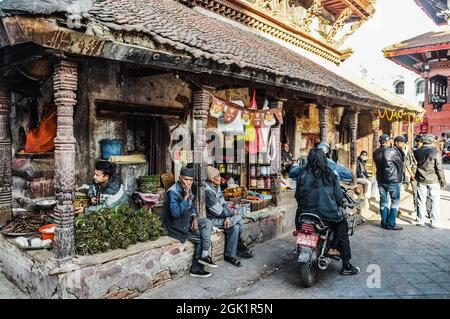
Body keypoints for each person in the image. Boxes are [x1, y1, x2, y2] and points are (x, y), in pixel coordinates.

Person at [294, 148, 359, 275]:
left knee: (299, 221)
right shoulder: (330, 174)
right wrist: (337, 205)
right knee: (342, 225)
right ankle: (342, 260)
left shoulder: (302, 174)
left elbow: (297, 196)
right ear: (324, 160)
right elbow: (339, 197)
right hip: (327, 215)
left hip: (304, 215)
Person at [162, 166, 216, 278]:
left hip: (187, 220)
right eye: (186, 179)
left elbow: (192, 207)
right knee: (201, 238)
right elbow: (175, 213)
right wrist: (186, 198)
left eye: (191, 180)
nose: (189, 182)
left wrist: (194, 217)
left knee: (206, 222)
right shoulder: (172, 192)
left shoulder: (188, 189)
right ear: (180, 178)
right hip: (175, 225)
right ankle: (196, 268)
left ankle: (204, 255)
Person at [205, 166, 253, 267]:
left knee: (235, 227)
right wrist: (231, 213)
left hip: (221, 217)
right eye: (217, 175)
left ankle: (230, 255)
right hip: (212, 219)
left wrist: (227, 217)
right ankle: (240, 245)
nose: (220, 177)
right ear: (211, 178)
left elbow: (223, 204)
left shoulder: (216, 186)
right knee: (239, 217)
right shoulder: (207, 191)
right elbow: (218, 211)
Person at [414, 134, 446, 228]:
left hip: (421, 178)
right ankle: (434, 221)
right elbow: (439, 168)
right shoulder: (436, 152)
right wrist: (442, 181)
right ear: (431, 142)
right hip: (433, 179)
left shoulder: (417, 152)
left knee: (420, 200)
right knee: (434, 201)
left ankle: (420, 220)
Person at [373, 134, 404, 230]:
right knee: (395, 202)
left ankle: (384, 222)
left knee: (383, 202)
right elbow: (400, 165)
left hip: (381, 180)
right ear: (386, 141)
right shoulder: (392, 151)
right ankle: (390, 224)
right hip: (392, 180)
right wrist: (399, 178)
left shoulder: (375, 152)